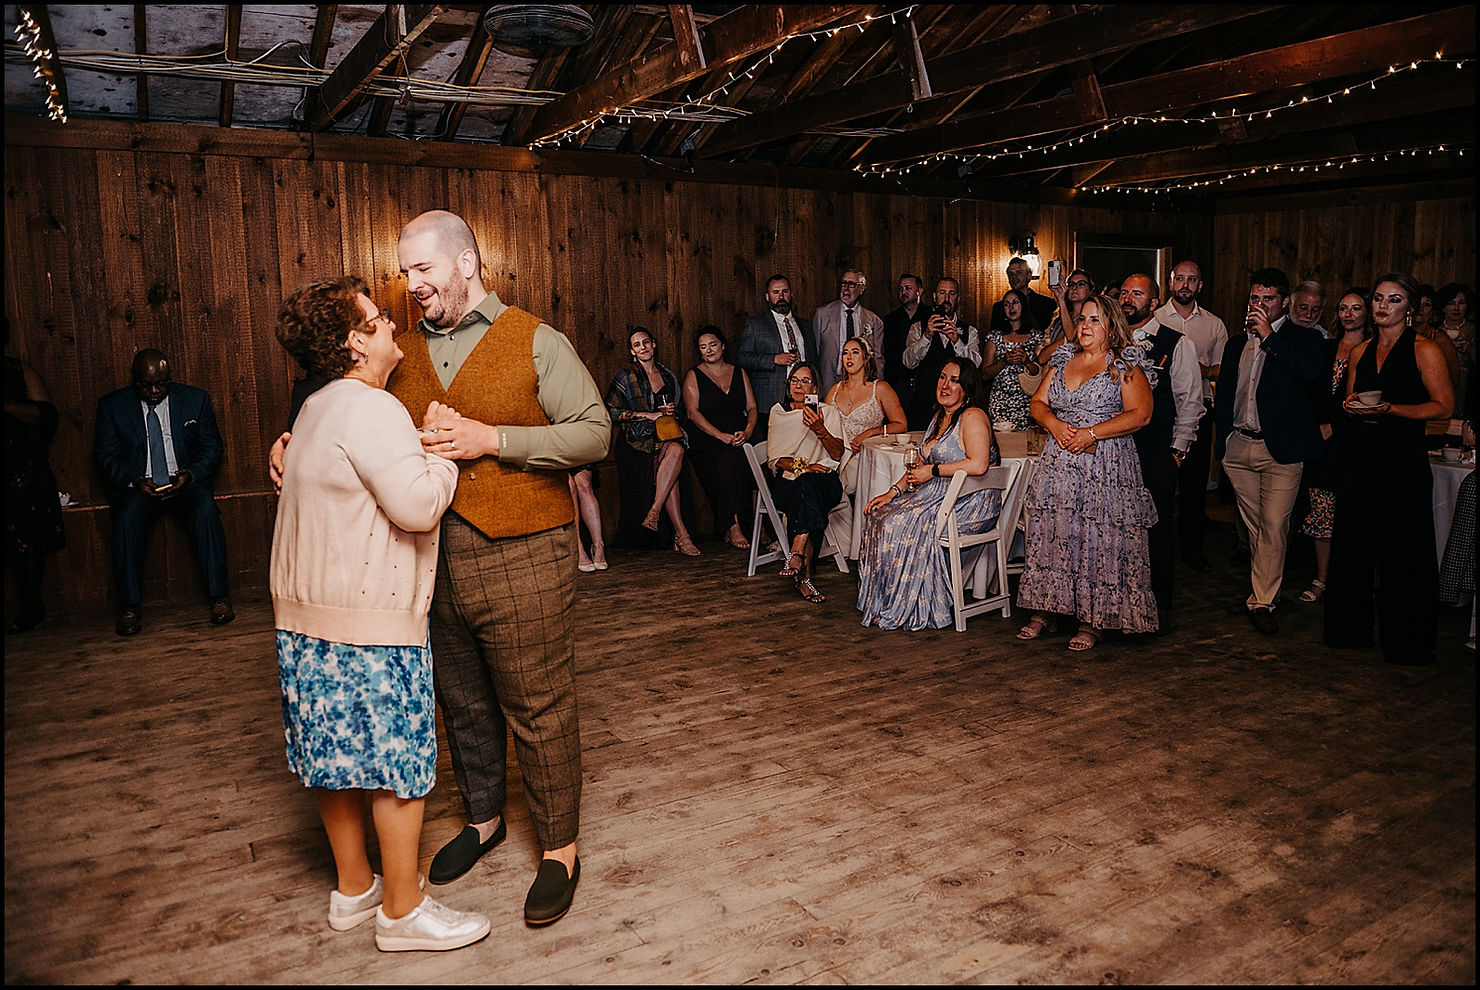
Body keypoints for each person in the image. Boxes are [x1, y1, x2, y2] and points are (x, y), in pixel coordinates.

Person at [272, 209, 610, 926]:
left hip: (524, 551)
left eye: (423, 269)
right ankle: (484, 820)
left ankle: (560, 848)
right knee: (461, 701)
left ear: (465, 264)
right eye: (404, 273)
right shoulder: (395, 355)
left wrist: (495, 438)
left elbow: (595, 433)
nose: (412, 286)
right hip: (430, 567)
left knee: (539, 706)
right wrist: (292, 438)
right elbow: (349, 412)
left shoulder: (537, 341)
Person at [270, 276, 488, 952]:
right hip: (367, 621)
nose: (392, 325)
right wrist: (443, 454)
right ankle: (401, 908)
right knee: (397, 762)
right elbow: (419, 507)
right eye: (377, 319)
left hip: (304, 618)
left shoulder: (314, 407)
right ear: (354, 342)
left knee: (332, 759)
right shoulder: (372, 407)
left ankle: (354, 886)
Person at [1015, 295, 1159, 651]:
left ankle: (1093, 619)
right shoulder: (1064, 361)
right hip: (1060, 463)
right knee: (1054, 534)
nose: (1084, 326)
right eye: (1082, 320)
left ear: (1111, 325)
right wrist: (1052, 422)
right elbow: (1037, 401)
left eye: (1094, 320)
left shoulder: (1123, 364)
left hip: (1105, 465)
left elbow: (1141, 414)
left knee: (1097, 540)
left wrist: (1091, 432)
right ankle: (1045, 609)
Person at [1324, 274, 1454, 665]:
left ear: (1409, 308)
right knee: (1353, 544)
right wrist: (1349, 406)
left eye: (1393, 300)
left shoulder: (1425, 349)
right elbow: (1349, 397)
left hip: (1403, 457)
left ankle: (1407, 642)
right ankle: (1349, 632)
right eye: (1378, 298)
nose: (1382, 306)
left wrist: (1393, 410)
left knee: (1404, 551)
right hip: (1361, 456)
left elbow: (1443, 407)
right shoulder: (1361, 351)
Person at [1213, 267, 1325, 636]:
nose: (1259, 306)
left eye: (1268, 299)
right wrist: (1223, 441)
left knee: (1275, 525)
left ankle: (1262, 600)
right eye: (1254, 299)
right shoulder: (1235, 344)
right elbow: (1226, 396)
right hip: (1240, 446)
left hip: (1281, 451)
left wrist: (1269, 338)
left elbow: (1309, 374)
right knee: (1258, 525)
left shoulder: (1303, 339)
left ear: (1285, 302)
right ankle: (1265, 586)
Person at [94, 348, 233, 637]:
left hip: (183, 480)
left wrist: (190, 474)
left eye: (162, 384)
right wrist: (134, 481)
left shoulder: (196, 399)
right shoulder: (112, 406)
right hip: (140, 484)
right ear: (136, 383)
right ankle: (129, 607)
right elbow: (105, 456)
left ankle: (219, 598)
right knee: (126, 518)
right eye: (148, 386)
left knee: (206, 510)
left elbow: (212, 448)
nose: (155, 391)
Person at [856, 359, 1000, 630]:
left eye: (954, 380)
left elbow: (979, 464)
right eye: (942, 377)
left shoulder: (972, 416)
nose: (945, 385)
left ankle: (904, 604)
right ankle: (884, 600)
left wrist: (932, 471)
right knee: (878, 513)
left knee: (897, 523)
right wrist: (892, 492)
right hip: (939, 494)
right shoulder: (939, 417)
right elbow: (918, 466)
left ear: (966, 389)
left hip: (970, 500)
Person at [1121, 273, 1202, 622]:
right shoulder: (1109, 342)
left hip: (1156, 452)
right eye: (1124, 292)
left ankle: (1159, 607)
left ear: (1153, 303)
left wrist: (1178, 452)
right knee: (1118, 529)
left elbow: (1190, 401)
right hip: (1115, 453)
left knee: (1156, 532)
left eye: (1136, 294)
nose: (1127, 299)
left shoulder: (1176, 343)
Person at [1295, 289, 1370, 604]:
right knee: (1321, 512)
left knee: (1355, 514)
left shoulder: (1376, 350)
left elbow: (1370, 401)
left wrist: (1335, 426)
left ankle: (1351, 580)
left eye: (1356, 308)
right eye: (1343, 308)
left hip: (1358, 441)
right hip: (1323, 445)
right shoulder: (1325, 348)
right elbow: (1310, 390)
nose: (1349, 314)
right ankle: (1322, 578)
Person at [1154, 260, 1229, 572]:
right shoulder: (1154, 320)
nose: (1186, 284)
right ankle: (1159, 551)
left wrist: (1198, 368)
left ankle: (1193, 549)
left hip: (1199, 412)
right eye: (1180, 278)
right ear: (1171, 283)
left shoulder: (1214, 325)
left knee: (1194, 487)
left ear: (1200, 286)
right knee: (1159, 487)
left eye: (1192, 280)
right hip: (1159, 415)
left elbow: (1222, 370)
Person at [606, 327, 701, 556]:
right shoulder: (625, 375)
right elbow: (610, 411)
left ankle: (655, 511)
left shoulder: (667, 375)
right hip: (636, 438)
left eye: (646, 342)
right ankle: (682, 536)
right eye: (637, 345)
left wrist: (669, 413)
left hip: (665, 433)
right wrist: (647, 415)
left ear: (654, 344)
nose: (643, 347)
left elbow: (678, 411)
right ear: (632, 351)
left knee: (676, 450)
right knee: (670, 462)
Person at [4, 316, 65, 633]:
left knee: (24, 495)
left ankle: (31, 605)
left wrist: (10, 407)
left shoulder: (18, 371)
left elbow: (48, 417)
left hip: (19, 468)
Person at [765, 362, 845, 604]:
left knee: (810, 487)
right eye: (794, 380)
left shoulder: (828, 412)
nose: (799, 385)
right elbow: (777, 459)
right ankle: (805, 576)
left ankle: (797, 552)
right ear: (789, 386)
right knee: (806, 489)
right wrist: (805, 467)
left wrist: (819, 428)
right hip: (789, 482)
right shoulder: (779, 413)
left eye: (805, 380)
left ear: (815, 386)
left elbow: (837, 454)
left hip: (826, 481)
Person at [682, 325, 758, 550]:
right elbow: (692, 413)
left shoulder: (738, 372)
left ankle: (756, 524)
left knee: (750, 456)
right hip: (708, 437)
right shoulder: (693, 375)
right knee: (727, 460)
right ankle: (732, 525)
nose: (708, 350)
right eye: (703, 347)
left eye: (713, 345)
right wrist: (721, 436)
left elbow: (752, 407)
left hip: (739, 432)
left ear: (723, 346)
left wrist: (748, 431)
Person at [738, 274, 818, 441]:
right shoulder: (755, 324)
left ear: (791, 294)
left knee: (805, 443)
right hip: (772, 398)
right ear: (768, 297)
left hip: (805, 397)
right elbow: (742, 358)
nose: (781, 297)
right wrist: (773, 359)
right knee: (778, 448)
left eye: (785, 291)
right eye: (776, 292)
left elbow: (814, 362)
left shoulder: (806, 325)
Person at [825, 336, 908, 496]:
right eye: (845, 353)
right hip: (835, 454)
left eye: (855, 352)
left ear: (866, 358)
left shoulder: (880, 388)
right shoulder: (834, 390)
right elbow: (826, 427)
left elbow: (901, 424)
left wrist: (869, 433)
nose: (849, 357)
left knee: (836, 486)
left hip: (863, 455)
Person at [902, 277, 981, 430]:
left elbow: (975, 365)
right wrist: (926, 337)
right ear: (934, 296)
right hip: (923, 408)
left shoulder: (970, 331)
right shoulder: (918, 328)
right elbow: (907, 362)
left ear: (958, 298)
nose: (946, 298)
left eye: (951, 294)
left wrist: (956, 340)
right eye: (942, 293)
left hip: (958, 410)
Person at [981, 288, 1046, 431]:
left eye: (1015, 302)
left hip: (1027, 402)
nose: (1011, 307)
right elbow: (985, 374)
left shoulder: (1036, 336)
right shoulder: (995, 337)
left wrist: (1027, 361)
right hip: (1000, 403)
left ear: (1023, 305)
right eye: (1006, 304)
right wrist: (1004, 361)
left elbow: (1041, 373)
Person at [814, 269, 885, 395]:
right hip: (830, 383)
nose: (846, 289)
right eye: (843, 283)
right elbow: (814, 353)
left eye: (851, 284)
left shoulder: (874, 321)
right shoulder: (822, 314)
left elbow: (877, 359)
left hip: (862, 384)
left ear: (861, 288)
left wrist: (876, 388)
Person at [881, 273, 926, 413]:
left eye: (908, 288)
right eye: (900, 289)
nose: (903, 292)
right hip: (898, 384)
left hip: (925, 385)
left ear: (919, 291)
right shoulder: (890, 320)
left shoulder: (930, 316)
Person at [1034, 265, 1095, 363]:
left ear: (1090, 290)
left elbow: (1072, 338)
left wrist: (1066, 339)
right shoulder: (1058, 320)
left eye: (1081, 284)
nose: (1075, 287)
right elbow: (1041, 356)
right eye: (1071, 284)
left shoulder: (1093, 319)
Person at [989, 256, 1057, 330]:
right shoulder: (999, 307)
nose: (1014, 277)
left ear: (1029, 275)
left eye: (1019, 272)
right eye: (1010, 274)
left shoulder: (1046, 304)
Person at [567, 467, 607, 571]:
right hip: (551, 456)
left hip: (574, 454)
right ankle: (578, 548)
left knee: (584, 483)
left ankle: (598, 546)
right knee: (570, 485)